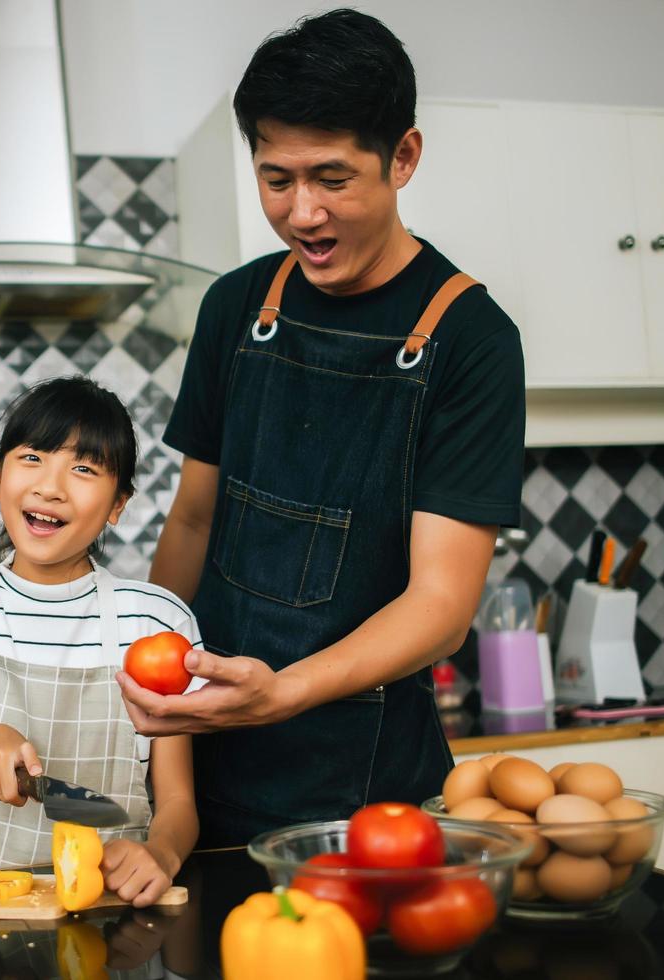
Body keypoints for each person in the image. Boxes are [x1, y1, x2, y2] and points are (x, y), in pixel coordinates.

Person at [119, 9, 526, 847]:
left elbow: (441, 608)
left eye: (331, 178)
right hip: (210, 772)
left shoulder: (473, 341)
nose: (301, 213)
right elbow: (193, 519)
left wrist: (280, 693)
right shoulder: (234, 305)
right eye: (276, 179)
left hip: (370, 797)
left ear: (402, 157)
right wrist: (151, 669)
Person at [0, 377, 199, 905]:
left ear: (118, 504)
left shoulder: (157, 622)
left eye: (84, 469)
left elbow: (177, 802)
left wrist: (162, 854)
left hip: (113, 908)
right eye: (32, 457)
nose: (51, 487)